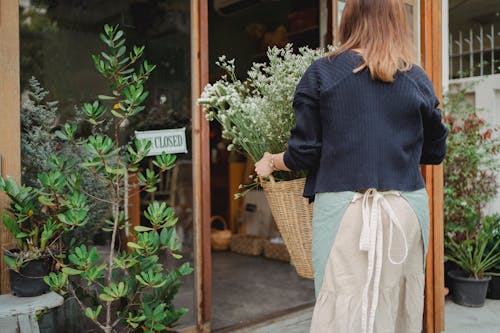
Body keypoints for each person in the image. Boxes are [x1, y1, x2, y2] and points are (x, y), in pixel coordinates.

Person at [254, 0, 448, 332]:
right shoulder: (415, 77)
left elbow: (302, 154)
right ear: (396, 21)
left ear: (349, 20)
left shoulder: (323, 72)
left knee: (341, 311)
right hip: (405, 209)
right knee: (398, 305)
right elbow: (435, 150)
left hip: (345, 210)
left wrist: (270, 161)